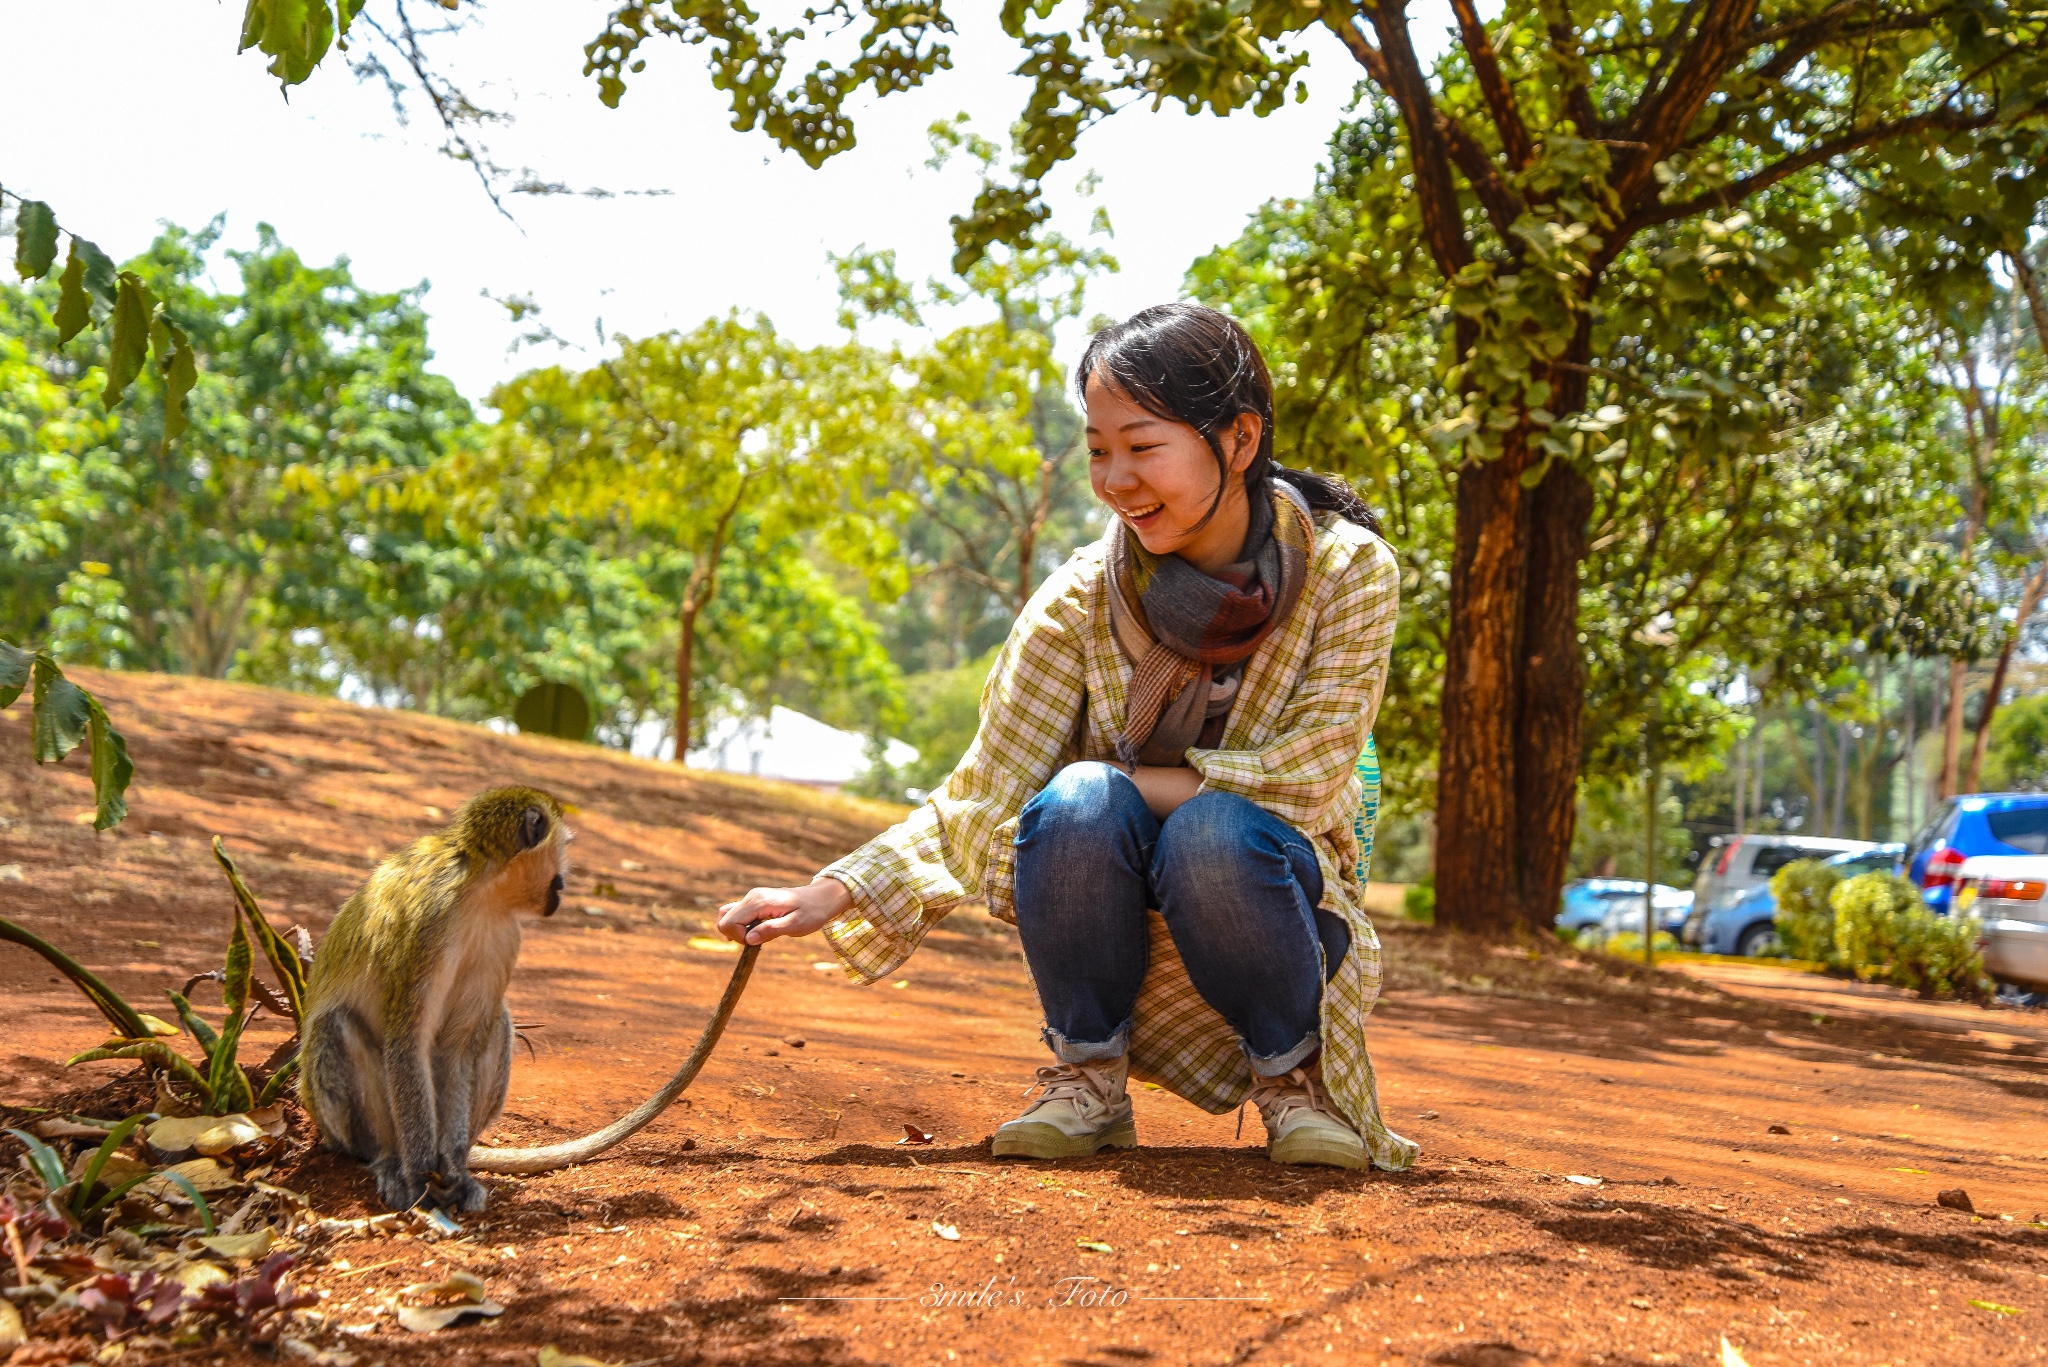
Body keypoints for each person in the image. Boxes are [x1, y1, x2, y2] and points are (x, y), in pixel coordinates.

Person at [717, 302, 1416, 1172]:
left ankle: (1296, 1084)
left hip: (1271, 902)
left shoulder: (1349, 571)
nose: (1116, 477)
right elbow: (989, 787)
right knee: (1077, 802)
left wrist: (1128, 781)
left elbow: (1307, 781)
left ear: (1239, 439)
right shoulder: (1083, 593)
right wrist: (834, 890)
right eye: (1096, 448)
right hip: (1106, 899)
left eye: (1142, 444)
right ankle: (1086, 1076)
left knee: (1199, 824)